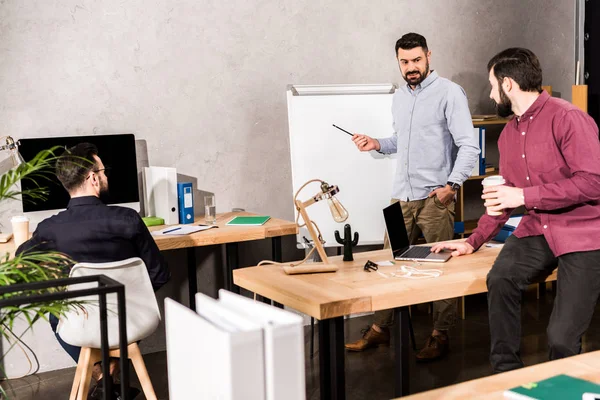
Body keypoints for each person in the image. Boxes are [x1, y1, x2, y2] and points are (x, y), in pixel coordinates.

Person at [431, 47, 600, 373]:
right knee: (501, 278)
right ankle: (506, 375)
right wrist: (471, 241)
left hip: (584, 232)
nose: (491, 93)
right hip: (538, 229)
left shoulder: (568, 118)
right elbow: (502, 201)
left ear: (508, 85)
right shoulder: (508, 135)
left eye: (493, 85)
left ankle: (561, 392)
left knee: (561, 338)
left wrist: (523, 195)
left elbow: (593, 182)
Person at [344, 32, 479, 361]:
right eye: (405, 62)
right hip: (400, 197)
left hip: (434, 200)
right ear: (398, 62)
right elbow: (400, 142)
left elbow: (469, 144)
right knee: (386, 266)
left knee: (440, 270)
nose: (411, 67)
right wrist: (376, 143)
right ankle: (380, 329)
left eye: (417, 59)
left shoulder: (449, 93)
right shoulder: (400, 97)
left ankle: (440, 335)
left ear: (429, 56)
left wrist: (452, 186)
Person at [17, 142, 170, 399]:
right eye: (103, 171)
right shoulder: (128, 219)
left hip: (80, 324)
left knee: (55, 314)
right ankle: (110, 371)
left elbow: (22, 256)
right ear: (93, 179)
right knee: (134, 306)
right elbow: (160, 274)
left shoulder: (49, 229)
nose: (106, 175)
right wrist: (131, 294)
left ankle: (102, 374)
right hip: (131, 321)